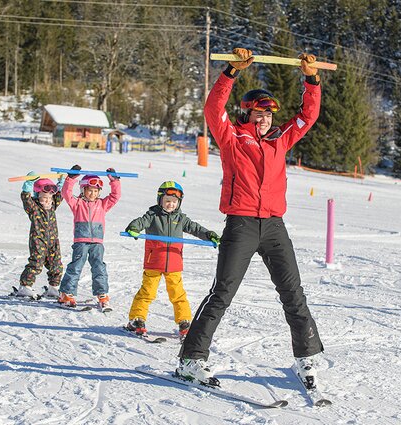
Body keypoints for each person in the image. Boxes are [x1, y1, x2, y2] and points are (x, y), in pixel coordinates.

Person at [177, 48, 325, 388]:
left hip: (274, 226)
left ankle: (307, 359)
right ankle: (190, 360)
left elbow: (308, 115)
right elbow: (213, 109)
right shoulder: (232, 138)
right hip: (241, 224)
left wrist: (311, 78)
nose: (265, 119)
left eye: (269, 114)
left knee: (293, 293)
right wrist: (231, 71)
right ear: (247, 114)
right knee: (222, 293)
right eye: (259, 113)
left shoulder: (280, 140)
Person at [124, 181, 220, 340]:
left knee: (178, 294)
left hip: (174, 263)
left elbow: (195, 228)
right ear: (160, 200)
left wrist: (209, 234)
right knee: (147, 292)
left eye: (174, 202)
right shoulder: (153, 215)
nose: (170, 204)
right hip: (154, 261)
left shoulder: (181, 218)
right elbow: (140, 222)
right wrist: (133, 228)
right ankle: (137, 319)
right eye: (167, 201)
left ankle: (184, 322)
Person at [57, 165, 121, 310]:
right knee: (76, 266)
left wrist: (114, 180)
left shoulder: (103, 204)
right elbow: (66, 192)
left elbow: (115, 196)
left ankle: (102, 293)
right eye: (90, 190)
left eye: (96, 191)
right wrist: (71, 178)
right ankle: (66, 293)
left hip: (97, 242)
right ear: (83, 190)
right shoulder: (77, 203)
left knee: (99, 267)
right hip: (81, 241)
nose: (93, 194)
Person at [16, 172, 64, 298]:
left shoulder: (52, 205)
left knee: (56, 264)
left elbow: (61, 195)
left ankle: (54, 287)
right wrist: (29, 184)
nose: (47, 200)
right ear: (37, 195)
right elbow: (26, 198)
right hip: (38, 240)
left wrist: (61, 182)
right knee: (36, 263)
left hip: (53, 241)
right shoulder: (34, 207)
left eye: (49, 197)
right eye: (44, 197)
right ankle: (25, 286)